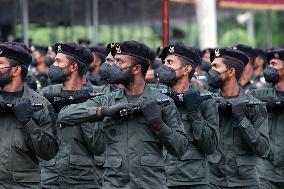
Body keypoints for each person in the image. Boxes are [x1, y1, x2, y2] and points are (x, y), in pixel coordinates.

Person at [57, 40, 188, 188]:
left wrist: (159, 125)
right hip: (115, 183)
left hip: (150, 184)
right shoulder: (107, 100)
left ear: (136, 68)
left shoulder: (162, 102)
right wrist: (102, 111)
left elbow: (181, 148)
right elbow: (64, 115)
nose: (113, 66)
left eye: (119, 62)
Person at [156, 42, 219, 189]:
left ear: (187, 69)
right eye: (164, 62)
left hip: (192, 180)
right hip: (158, 178)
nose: (164, 66)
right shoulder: (155, 97)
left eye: (170, 62)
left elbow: (210, 146)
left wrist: (194, 112)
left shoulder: (204, 100)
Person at [41, 42, 104, 189]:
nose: (53, 65)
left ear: (73, 67)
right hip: (49, 175)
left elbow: (98, 145)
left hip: (83, 178)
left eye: (58, 61)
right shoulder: (47, 93)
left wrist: (85, 110)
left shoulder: (95, 96)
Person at [207, 48, 270, 189]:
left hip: (245, 182)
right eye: (211, 66)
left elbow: (263, 149)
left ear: (231, 72)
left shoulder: (255, 105)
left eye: (216, 66)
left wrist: (242, 119)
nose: (211, 71)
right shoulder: (207, 102)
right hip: (213, 181)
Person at [0, 42, 58, 188]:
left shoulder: (40, 104)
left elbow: (49, 151)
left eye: (0, 64)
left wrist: (27, 122)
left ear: (16, 70)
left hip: (22, 185)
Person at [250, 48, 284, 189]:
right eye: (269, 63)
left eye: (274, 64)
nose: (269, 68)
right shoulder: (259, 93)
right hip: (265, 167)